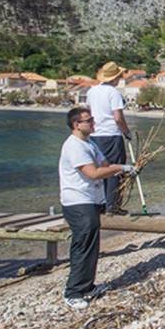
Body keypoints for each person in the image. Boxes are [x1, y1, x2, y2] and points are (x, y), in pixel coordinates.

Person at [59, 107, 136, 309]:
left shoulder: (89, 142)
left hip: (91, 200)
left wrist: (119, 169)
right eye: (89, 121)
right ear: (77, 124)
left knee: (92, 244)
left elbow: (104, 163)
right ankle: (73, 292)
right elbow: (93, 173)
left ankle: (87, 287)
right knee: (83, 245)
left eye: (93, 119)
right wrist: (120, 168)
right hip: (77, 201)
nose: (94, 123)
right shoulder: (74, 146)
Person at [87, 61, 132, 214]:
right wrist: (126, 131)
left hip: (95, 136)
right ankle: (112, 206)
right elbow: (118, 117)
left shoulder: (91, 91)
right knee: (115, 169)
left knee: (99, 170)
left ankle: (100, 204)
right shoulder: (113, 93)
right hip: (111, 134)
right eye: (119, 76)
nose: (119, 79)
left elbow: (89, 112)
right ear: (114, 78)